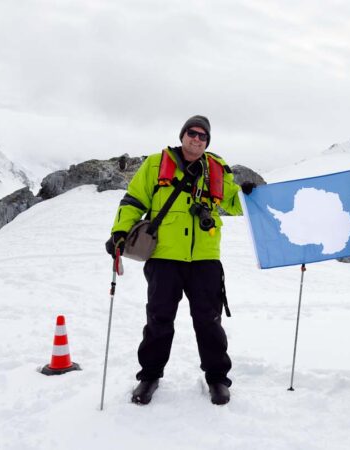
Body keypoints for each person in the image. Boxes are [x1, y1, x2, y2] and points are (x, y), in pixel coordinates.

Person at [105, 115, 255, 406]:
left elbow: (234, 204)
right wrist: (120, 232)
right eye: (192, 133)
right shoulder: (156, 164)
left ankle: (217, 379)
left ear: (207, 141)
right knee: (159, 320)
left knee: (209, 321)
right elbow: (134, 201)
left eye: (202, 136)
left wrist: (249, 195)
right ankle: (149, 376)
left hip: (204, 259)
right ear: (182, 135)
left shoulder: (216, 169)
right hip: (164, 258)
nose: (196, 139)